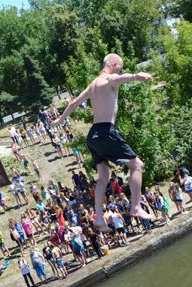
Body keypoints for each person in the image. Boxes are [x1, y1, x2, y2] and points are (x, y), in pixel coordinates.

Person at [53, 53, 153, 233]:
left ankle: (99, 218)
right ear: (114, 65)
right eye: (120, 67)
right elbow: (119, 79)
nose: (120, 71)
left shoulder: (93, 84)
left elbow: (74, 103)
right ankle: (136, 207)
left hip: (93, 135)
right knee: (137, 165)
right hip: (106, 132)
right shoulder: (109, 79)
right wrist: (136, 76)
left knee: (103, 178)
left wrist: (60, 120)